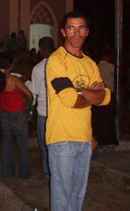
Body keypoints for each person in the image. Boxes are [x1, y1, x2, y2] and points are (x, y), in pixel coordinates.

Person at [45, 11, 111, 211]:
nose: (76, 33)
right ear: (63, 32)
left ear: (87, 32)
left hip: (84, 137)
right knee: (62, 196)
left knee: (77, 195)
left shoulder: (90, 63)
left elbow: (106, 98)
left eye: (81, 27)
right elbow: (70, 99)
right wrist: (91, 93)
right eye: (71, 28)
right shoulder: (56, 60)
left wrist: (81, 90)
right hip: (61, 137)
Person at [0, 55, 34, 179]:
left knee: (7, 142)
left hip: (4, 111)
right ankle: (24, 173)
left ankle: (7, 172)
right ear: (10, 65)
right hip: (17, 112)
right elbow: (29, 94)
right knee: (22, 143)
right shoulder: (13, 79)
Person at [31, 36, 54, 179]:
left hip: (43, 113)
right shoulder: (61, 64)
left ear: (41, 49)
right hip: (58, 113)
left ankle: (48, 175)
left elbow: (35, 91)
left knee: (45, 147)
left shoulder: (38, 68)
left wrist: (26, 84)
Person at [92, 47, 118, 150]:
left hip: (97, 95)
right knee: (108, 120)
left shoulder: (96, 66)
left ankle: (101, 141)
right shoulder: (110, 66)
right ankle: (108, 142)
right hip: (108, 94)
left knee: (99, 120)